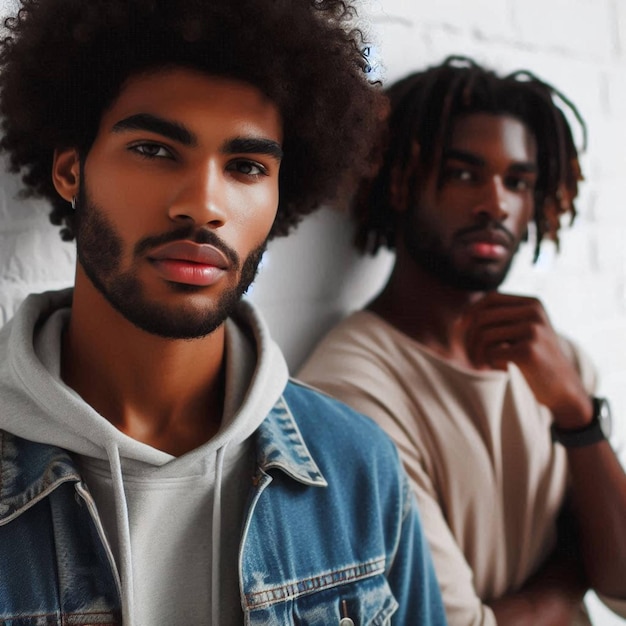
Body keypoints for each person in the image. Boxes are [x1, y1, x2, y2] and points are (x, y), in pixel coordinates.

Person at [0, 2, 448, 625]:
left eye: (246, 167)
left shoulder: (357, 468)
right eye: (155, 149)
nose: (203, 205)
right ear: (72, 169)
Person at [299, 56, 626, 625]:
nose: (496, 204)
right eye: (464, 173)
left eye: (518, 182)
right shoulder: (351, 391)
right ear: (398, 181)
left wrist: (577, 414)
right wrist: (572, 574)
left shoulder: (560, 361)